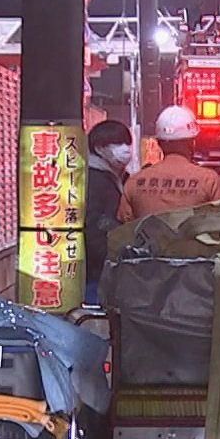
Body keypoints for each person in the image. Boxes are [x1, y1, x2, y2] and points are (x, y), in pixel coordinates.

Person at [118, 105, 220, 220]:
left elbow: (124, 227)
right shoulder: (209, 180)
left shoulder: (134, 181)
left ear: (159, 143)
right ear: (192, 143)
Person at [83, 120, 134, 305]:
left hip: (114, 269)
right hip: (96, 272)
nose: (126, 149)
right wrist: (108, 258)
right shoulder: (93, 179)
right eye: (117, 143)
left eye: (127, 142)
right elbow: (92, 225)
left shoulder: (122, 178)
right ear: (99, 148)